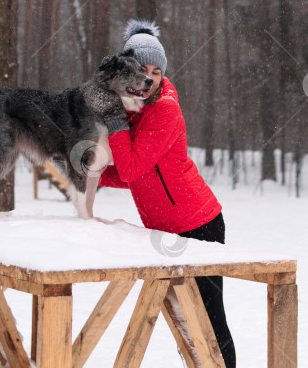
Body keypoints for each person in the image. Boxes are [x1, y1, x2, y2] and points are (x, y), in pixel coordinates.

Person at [98, 19, 236, 368]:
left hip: (198, 224)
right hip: (165, 230)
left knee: (207, 321)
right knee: (183, 321)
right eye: (141, 70)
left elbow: (130, 167)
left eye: (156, 72)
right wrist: (94, 175)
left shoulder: (165, 111)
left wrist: (113, 121)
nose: (148, 79)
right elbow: (137, 176)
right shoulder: (133, 109)